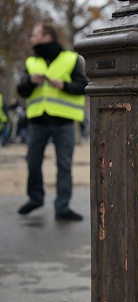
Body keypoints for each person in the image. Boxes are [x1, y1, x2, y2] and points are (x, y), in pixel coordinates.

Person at [16, 22, 88, 221]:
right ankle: (36, 198)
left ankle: (62, 207)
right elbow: (21, 90)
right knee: (32, 162)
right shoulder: (31, 62)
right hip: (38, 121)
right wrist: (30, 81)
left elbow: (83, 85)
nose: (32, 38)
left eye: (35, 35)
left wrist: (63, 85)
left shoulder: (71, 59)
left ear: (47, 36)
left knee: (64, 165)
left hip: (64, 121)